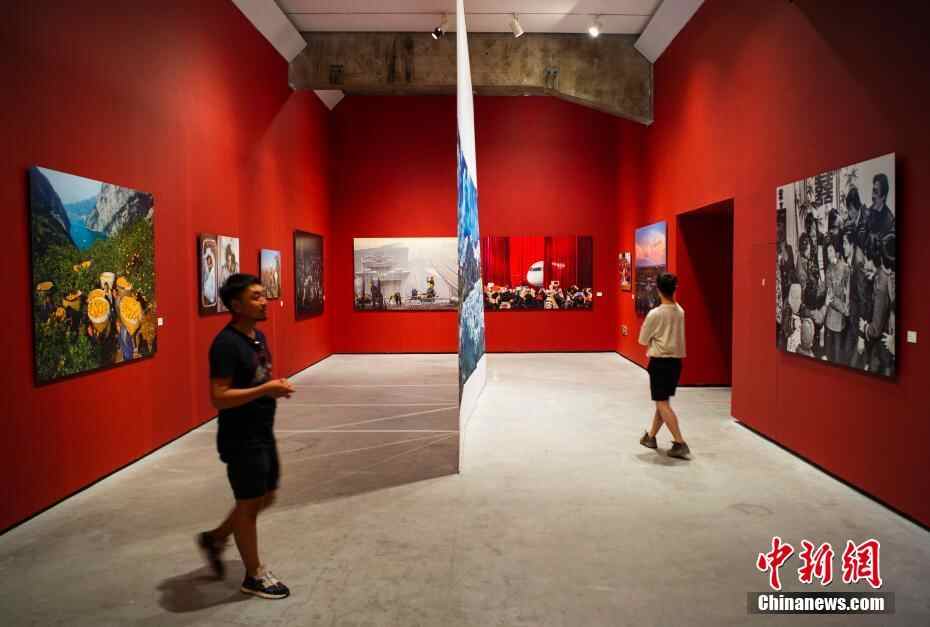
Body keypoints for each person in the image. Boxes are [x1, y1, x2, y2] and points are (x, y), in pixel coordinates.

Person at [197, 273, 295, 600]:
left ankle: (216, 538)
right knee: (249, 504)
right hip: (241, 437)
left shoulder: (258, 337)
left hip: (262, 430)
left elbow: (257, 379)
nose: (264, 301)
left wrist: (272, 387)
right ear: (236, 305)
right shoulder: (225, 345)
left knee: (265, 496)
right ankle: (254, 575)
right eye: (256, 297)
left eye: (263, 295)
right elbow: (219, 396)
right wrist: (266, 389)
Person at [637, 272, 690, 459]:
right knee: (663, 402)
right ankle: (651, 437)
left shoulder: (655, 314)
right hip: (676, 363)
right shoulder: (680, 311)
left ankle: (679, 442)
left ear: (658, 290)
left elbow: (642, 340)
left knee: (662, 403)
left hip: (660, 363)